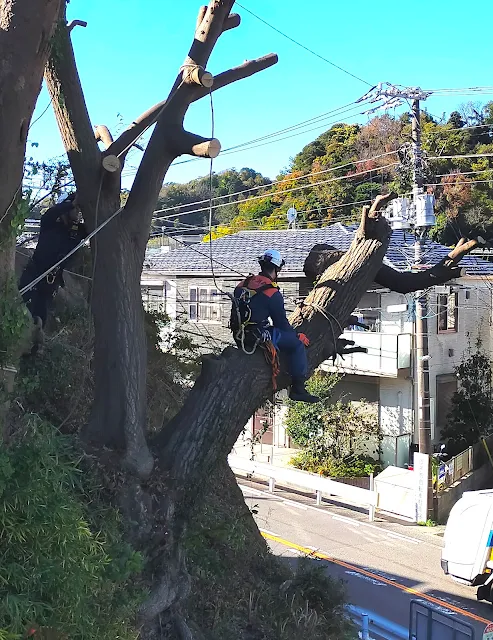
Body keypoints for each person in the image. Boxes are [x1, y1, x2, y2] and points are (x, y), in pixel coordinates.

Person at [231, 249, 320, 403]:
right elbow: (281, 324)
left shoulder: (242, 284)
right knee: (297, 345)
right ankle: (298, 389)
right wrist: (296, 336)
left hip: (239, 336)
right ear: (277, 269)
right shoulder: (272, 292)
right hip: (258, 337)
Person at [19, 193, 87, 329]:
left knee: (41, 318)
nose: (78, 212)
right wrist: (72, 203)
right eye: (75, 209)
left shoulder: (75, 232)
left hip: (50, 283)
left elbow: (94, 227)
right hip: (34, 277)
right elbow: (51, 213)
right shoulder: (49, 224)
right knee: (25, 315)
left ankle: (37, 340)